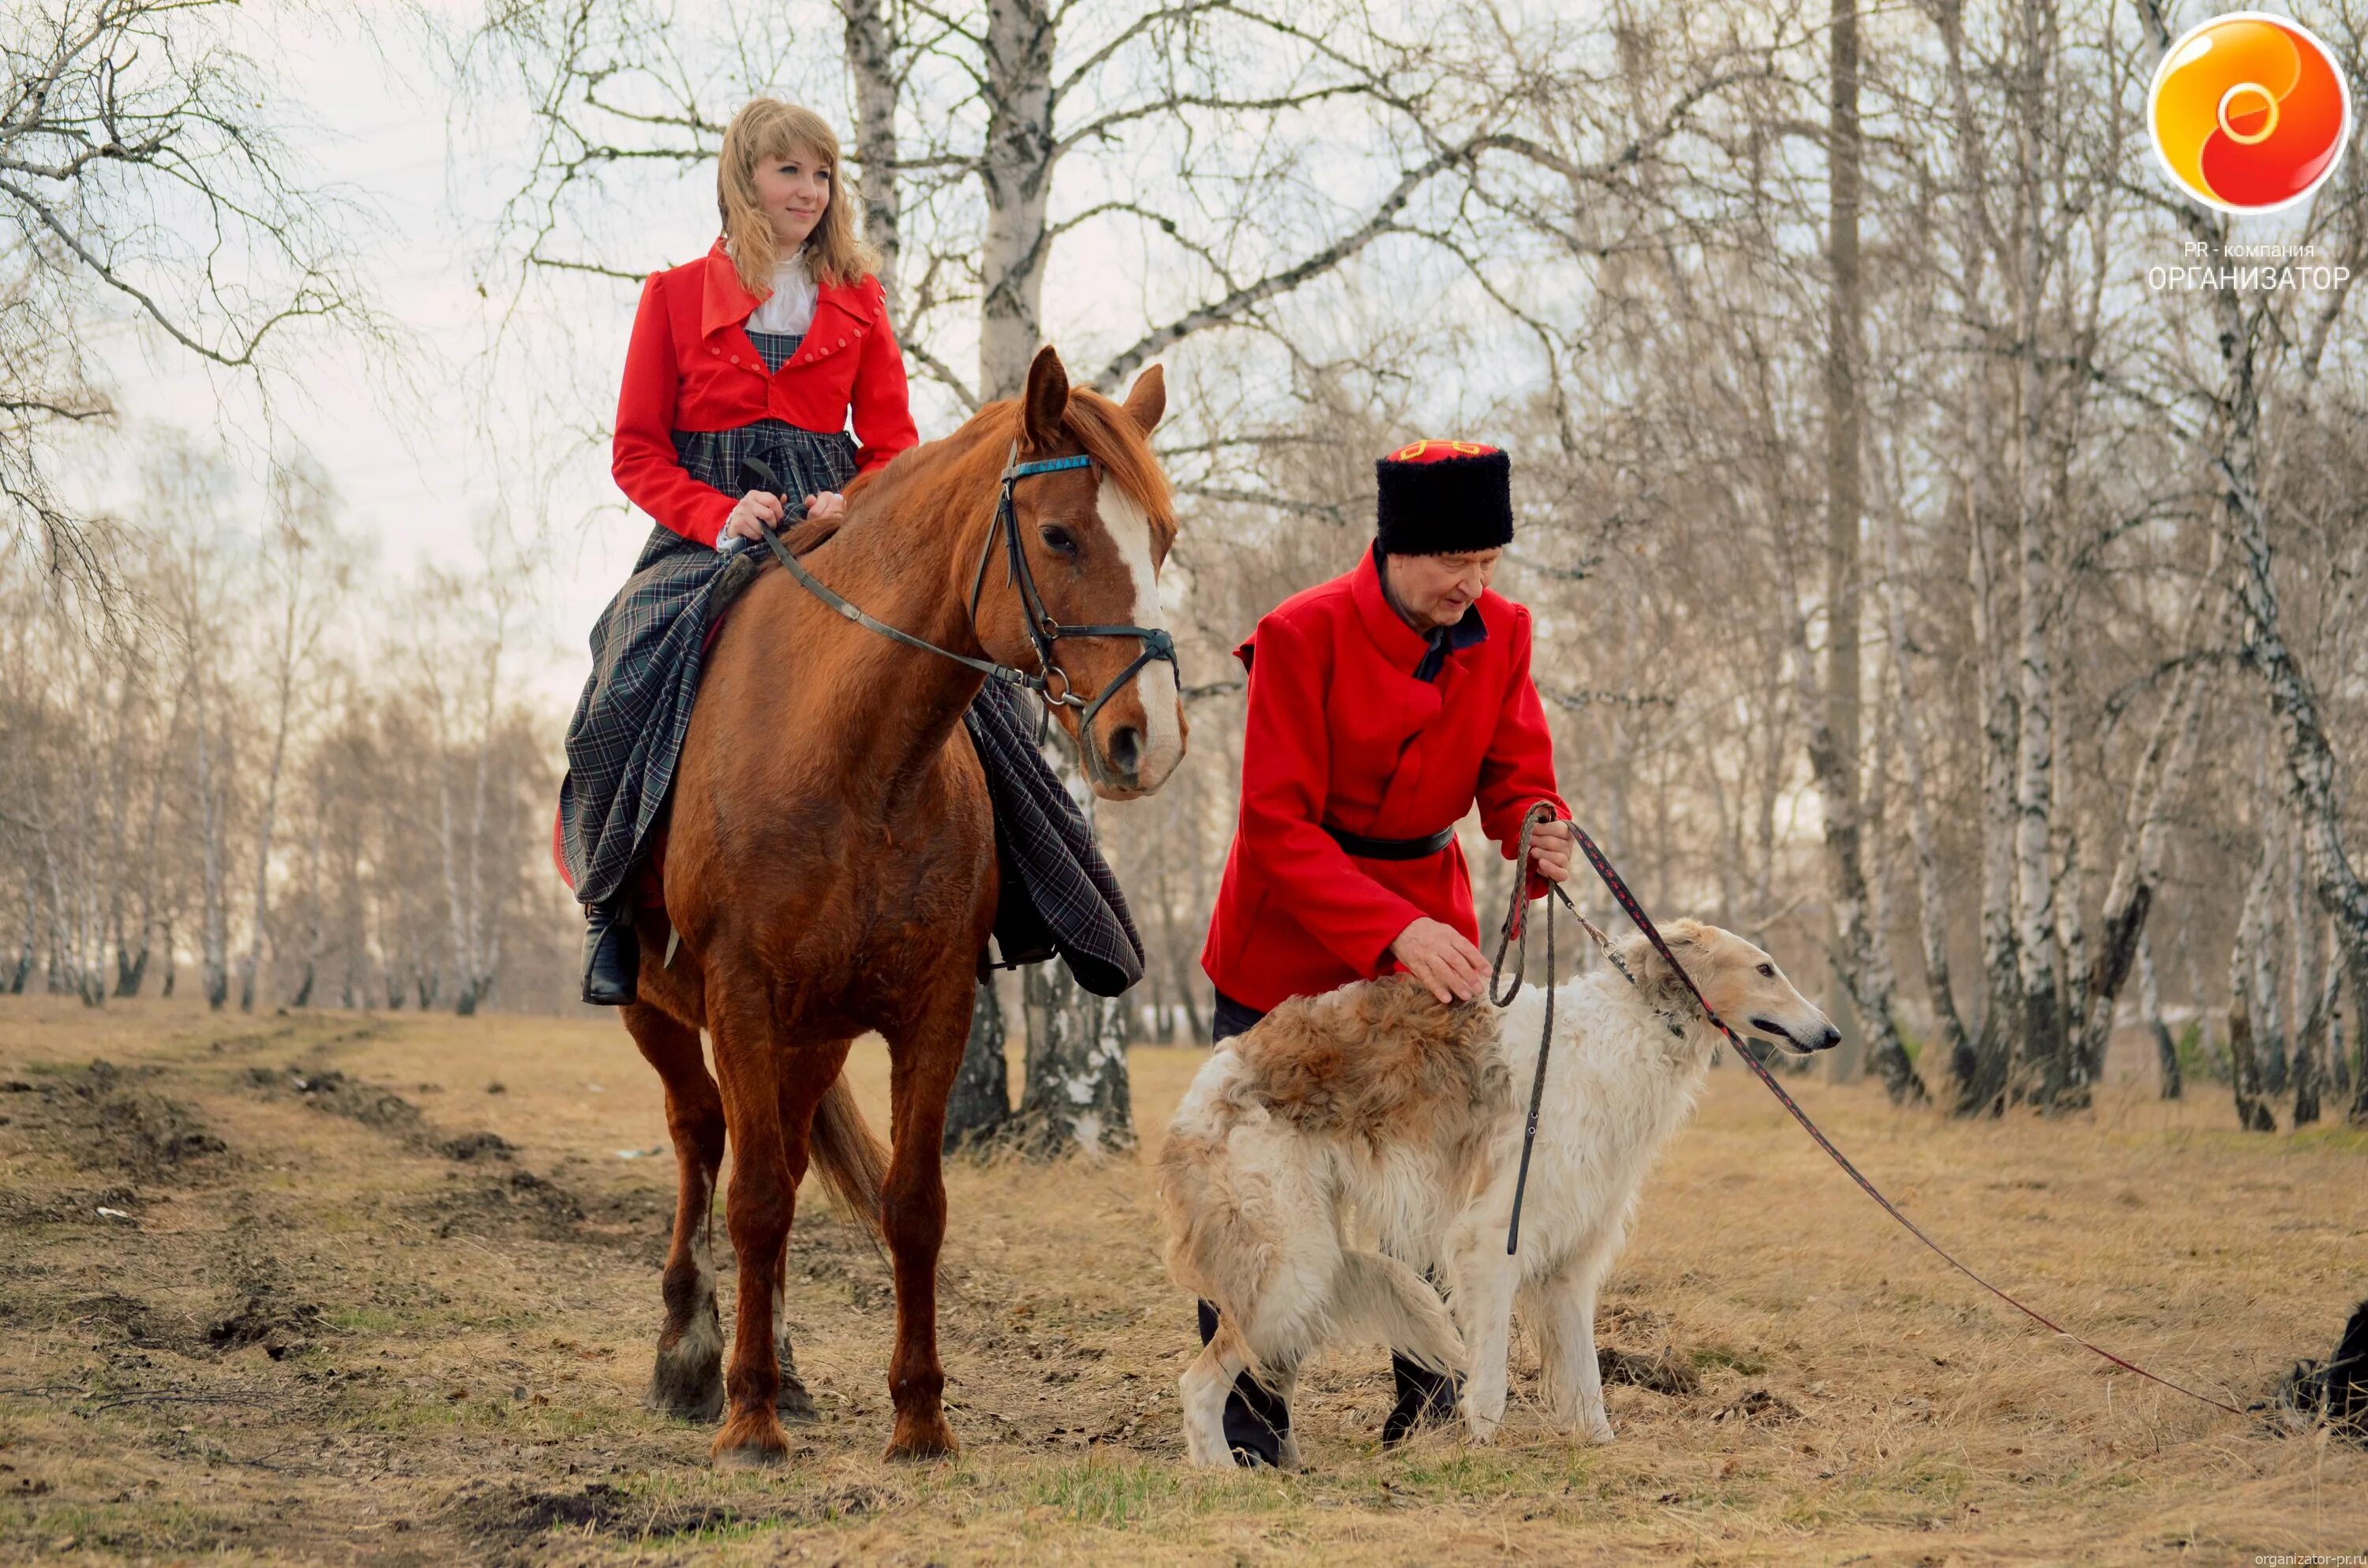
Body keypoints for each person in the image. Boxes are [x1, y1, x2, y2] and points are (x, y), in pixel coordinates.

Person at [1197, 438, 1574, 1465]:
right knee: (1263, 1194)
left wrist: (1538, 822)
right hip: (1284, 944)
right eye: (1455, 558)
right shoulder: (1298, 633)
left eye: (1491, 560)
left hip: (1428, 945)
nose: (1474, 582)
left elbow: (1515, 774)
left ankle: (1435, 1405)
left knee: (1424, 1185)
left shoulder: (1504, 631)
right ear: (1397, 546)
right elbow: (1274, 827)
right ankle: (1248, 1426)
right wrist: (1389, 928)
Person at [559, 98, 918, 1004]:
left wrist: (859, 502)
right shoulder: (672, 296)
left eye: (823, 173)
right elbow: (635, 450)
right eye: (789, 170)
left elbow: (893, 447)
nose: (809, 190)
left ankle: (998, 905)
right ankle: (612, 913)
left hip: (835, 532)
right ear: (745, 178)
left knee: (952, 672)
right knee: (619, 673)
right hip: (703, 534)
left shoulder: (861, 299)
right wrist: (719, 512)